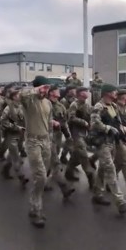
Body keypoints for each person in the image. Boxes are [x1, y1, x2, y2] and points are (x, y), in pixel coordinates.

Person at [21, 76, 74, 228]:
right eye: (44, 87)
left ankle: (34, 206)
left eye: (48, 88)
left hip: (46, 141)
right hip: (33, 142)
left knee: (43, 175)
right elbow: (22, 94)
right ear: (37, 87)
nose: (46, 90)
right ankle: (36, 210)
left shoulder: (48, 103)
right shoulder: (29, 101)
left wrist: (52, 127)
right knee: (41, 176)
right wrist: (36, 89)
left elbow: (48, 121)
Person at [89, 84, 126, 214]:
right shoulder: (99, 106)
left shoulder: (113, 106)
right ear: (107, 93)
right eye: (114, 92)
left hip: (112, 142)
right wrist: (108, 128)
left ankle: (97, 194)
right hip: (102, 143)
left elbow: (117, 123)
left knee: (103, 169)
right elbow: (94, 123)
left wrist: (123, 135)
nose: (116, 94)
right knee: (110, 169)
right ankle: (120, 202)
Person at [66, 87, 96, 186]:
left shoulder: (87, 105)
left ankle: (68, 172)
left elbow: (92, 115)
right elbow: (71, 118)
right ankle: (90, 175)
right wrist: (84, 122)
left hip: (85, 133)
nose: (87, 93)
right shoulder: (74, 105)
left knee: (76, 155)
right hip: (76, 133)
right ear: (80, 94)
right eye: (85, 91)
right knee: (83, 154)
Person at [47, 85, 73, 193]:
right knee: (55, 161)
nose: (59, 92)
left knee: (50, 159)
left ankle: (41, 181)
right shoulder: (45, 104)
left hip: (57, 136)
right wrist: (51, 122)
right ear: (51, 92)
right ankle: (64, 187)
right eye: (56, 90)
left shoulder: (61, 106)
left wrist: (67, 135)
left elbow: (64, 121)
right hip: (47, 136)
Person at [0, 89, 27, 184]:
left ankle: (5, 170)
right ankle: (21, 176)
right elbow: (3, 121)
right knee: (15, 156)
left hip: (21, 135)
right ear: (14, 97)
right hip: (11, 135)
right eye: (19, 94)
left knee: (11, 155)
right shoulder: (8, 108)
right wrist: (16, 127)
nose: (20, 96)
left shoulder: (21, 106)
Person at [59, 86, 77, 163]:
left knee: (70, 141)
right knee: (70, 140)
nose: (75, 91)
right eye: (73, 90)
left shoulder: (75, 100)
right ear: (69, 91)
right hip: (65, 123)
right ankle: (66, 157)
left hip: (73, 123)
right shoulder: (63, 101)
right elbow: (63, 112)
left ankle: (64, 156)